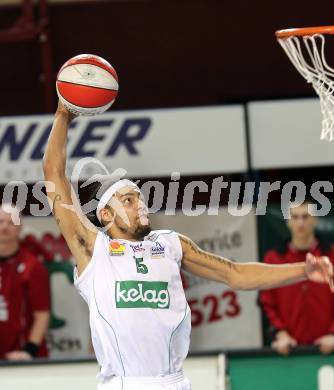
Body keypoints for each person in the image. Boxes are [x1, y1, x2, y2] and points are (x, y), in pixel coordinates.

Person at [43, 102, 334, 390]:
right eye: (129, 201)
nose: (140, 205)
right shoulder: (95, 251)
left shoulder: (170, 244)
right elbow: (53, 175)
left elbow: (236, 274)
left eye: (141, 198)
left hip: (176, 382)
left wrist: (303, 271)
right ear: (106, 214)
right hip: (126, 384)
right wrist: (64, 114)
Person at [260, 202, 334, 355]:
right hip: (289, 352)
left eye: (305, 217)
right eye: (295, 217)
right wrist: (279, 333)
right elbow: (265, 302)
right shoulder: (273, 259)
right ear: (288, 221)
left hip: (329, 350)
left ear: (315, 219)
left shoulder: (332, 256)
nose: (300, 223)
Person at [0, 204, 50, 360]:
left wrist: (29, 351)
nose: (4, 227)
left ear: (20, 227)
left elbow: (42, 314)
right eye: (1, 221)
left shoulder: (32, 265)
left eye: (11, 222)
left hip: (19, 356)